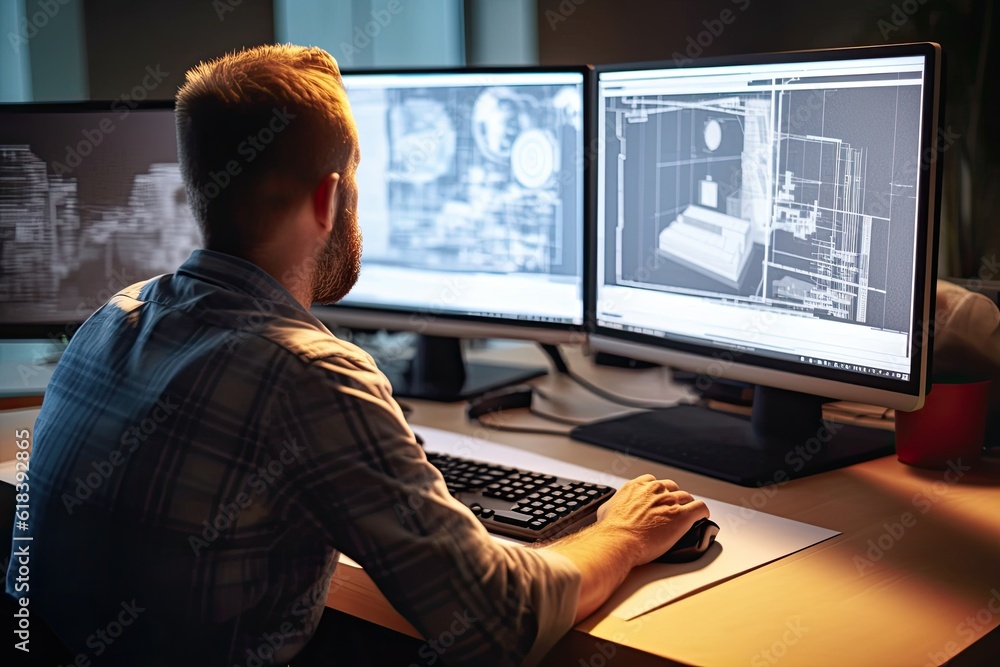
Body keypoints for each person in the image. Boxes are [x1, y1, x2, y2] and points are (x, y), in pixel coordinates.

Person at [5, 44, 708, 666]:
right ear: (331, 197)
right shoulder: (310, 373)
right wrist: (621, 533)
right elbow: (497, 620)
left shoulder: (111, 318)